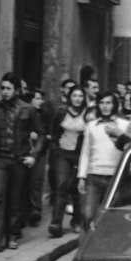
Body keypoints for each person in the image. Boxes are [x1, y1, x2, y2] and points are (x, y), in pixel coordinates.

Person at [0, 73, 44, 253]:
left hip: (19, 159)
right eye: (2, 88)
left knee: (16, 199)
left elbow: (41, 134)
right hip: (0, 159)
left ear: (17, 90)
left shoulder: (28, 109)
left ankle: (13, 234)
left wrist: (34, 155)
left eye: (8, 88)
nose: (5, 92)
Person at [77, 92, 129, 229]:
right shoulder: (91, 125)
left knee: (114, 216)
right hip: (94, 174)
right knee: (88, 215)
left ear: (114, 105)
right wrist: (81, 176)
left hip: (116, 176)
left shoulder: (124, 125)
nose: (105, 106)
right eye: (102, 103)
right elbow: (85, 152)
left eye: (108, 103)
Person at [48, 86, 88, 237]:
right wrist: (55, 149)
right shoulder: (61, 112)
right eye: (75, 95)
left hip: (79, 155)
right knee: (61, 186)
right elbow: (53, 133)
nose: (77, 98)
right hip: (62, 154)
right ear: (70, 97)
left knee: (77, 188)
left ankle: (77, 221)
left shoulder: (88, 114)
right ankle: (56, 223)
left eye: (80, 96)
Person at [24, 89, 51, 228]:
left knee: (37, 181)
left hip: (40, 152)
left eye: (41, 98)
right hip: (26, 150)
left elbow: (47, 132)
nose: (40, 101)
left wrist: (44, 136)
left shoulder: (44, 114)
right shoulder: (25, 113)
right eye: (37, 98)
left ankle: (35, 211)